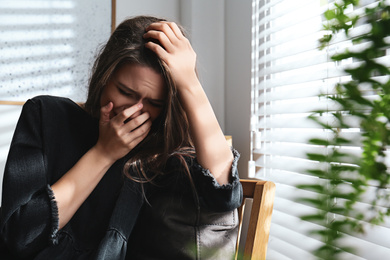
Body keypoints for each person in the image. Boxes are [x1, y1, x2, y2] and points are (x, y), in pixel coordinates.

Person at [0, 15, 242, 259]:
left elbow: (223, 195)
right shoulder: (46, 116)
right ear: (105, 77)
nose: (133, 111)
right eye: (125, 92)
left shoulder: (160, 155)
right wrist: (104, 153)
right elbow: (19, 238)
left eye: (154, 103)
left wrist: (189, 83)